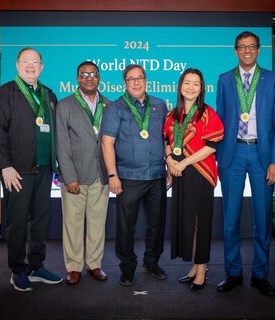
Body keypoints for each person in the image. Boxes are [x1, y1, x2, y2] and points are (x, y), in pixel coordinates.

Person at [215, 31, 275, 296]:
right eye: (242, 47)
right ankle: (232, 273)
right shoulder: (224, 80)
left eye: (251, 46)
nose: (247, 51)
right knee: (230, 219)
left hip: (262, 156)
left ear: (258, 50)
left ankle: (260, 275)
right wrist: (217, 155)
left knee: (262, 219)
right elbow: (219, 121)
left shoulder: (272, 80)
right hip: (232, 155)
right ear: (235, 51)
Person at [0, 47, 62, 292]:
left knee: (42, 220)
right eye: (26, 61)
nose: (31, 65)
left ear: (41, 67)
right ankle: (18, 270)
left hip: (44, 169)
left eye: (35, 62)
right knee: (17, 222)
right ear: (17, 65)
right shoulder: (6, 93)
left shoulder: (49, 95)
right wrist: (5, 167)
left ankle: (36, 266)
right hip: (17, 171)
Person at [101, 64, 168, 286]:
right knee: (125, 226)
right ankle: (127, 267)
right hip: (128, 177)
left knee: (157, 224)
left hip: (157, 175)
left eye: (140, 78)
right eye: (131, 79)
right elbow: (107, 142)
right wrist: (112, 175)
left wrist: (169, 168)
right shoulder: (115, 107)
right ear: (125, 83)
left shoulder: (159, 105)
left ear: (146, 80)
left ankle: (151, 262)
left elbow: (167, 139)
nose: (136, 82)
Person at [163, 69, 224, 291]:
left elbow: (211, 146)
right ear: (180, 86)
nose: (190, 87)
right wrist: (169, 160)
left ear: (201, 89)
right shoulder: (171, 114)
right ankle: (194, 267)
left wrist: (183, 163)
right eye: (187, 83)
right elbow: (166, 140)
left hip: (200, 173)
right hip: (179, 174)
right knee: (187, 221)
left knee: (200, 223)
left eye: (196, 84)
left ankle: (202, 269)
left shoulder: (207, 113)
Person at [55, 61, 111, 285]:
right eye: (84, 74)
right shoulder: (65, 105)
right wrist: (70, 177)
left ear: (99, 78)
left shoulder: (109, 104)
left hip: (101, 175)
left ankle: (95, 264)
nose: (89, 78)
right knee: (73, 223)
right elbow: (61, 144)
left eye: (93, 74)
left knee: (98, 223)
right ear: (77, 78)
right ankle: (74, 266)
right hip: (75, 176)